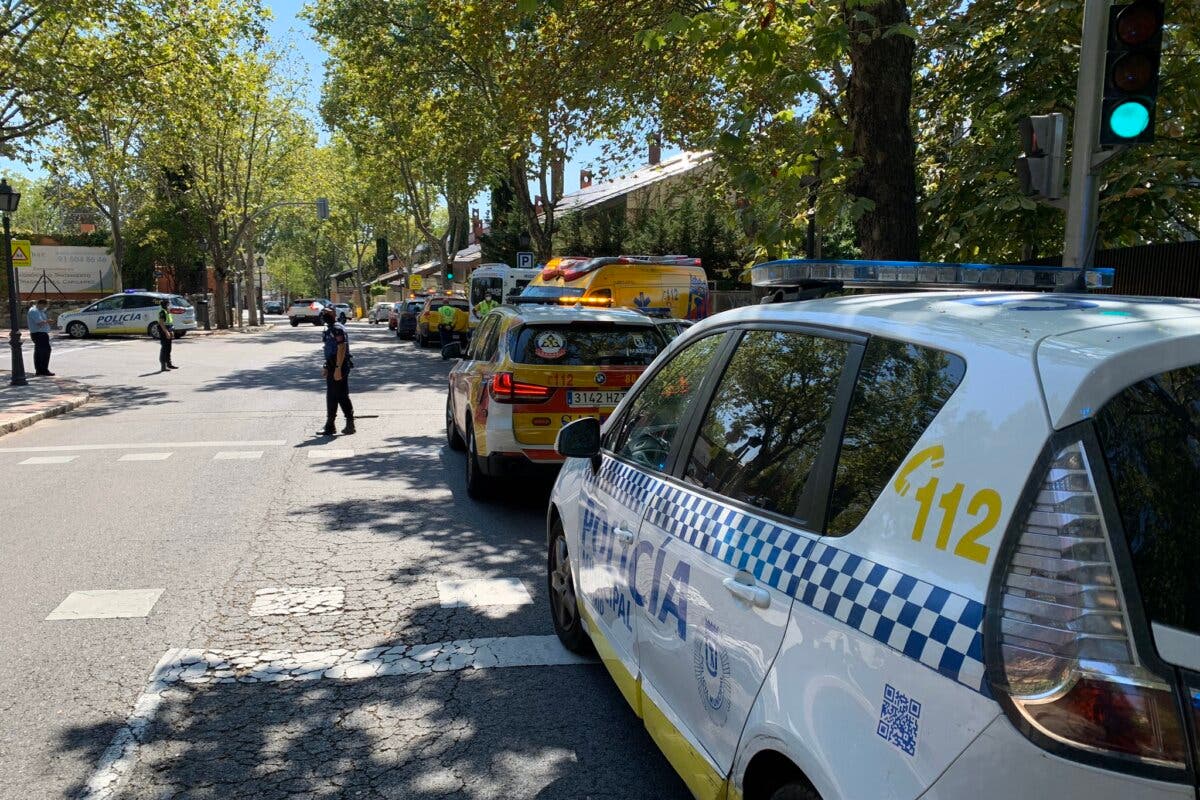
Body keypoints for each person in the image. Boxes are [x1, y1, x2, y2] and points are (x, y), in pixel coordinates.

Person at [319, 306, 354, 436]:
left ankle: (341, 424)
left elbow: (341, 348)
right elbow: (329, 349)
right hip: (332, 365)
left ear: (334, 314)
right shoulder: (330, 329)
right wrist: (326, 366)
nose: (324, 315)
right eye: (323, 313)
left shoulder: (337, 328)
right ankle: (332, 425)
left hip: (339, 365)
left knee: (339, 395)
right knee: (335, 395)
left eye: (327, 313)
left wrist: (338, 368)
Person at [27, 299, 54, 376]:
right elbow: (39, 323)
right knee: (44, 352)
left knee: (40, 352)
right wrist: (48, 321)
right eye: (45, 306)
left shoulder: (39, 310)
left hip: (41, 334)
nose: (45, 307)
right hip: (39, 334)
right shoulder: (34, 311)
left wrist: (47, 321)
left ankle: (40, 370)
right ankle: (43, 370)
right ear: (41, 304)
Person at [157, 299, 177, 372]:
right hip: (164, 331)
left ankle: (169, 364)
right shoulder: (162, 312)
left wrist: (171, 331)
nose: (170, 305)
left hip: (169, 330)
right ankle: (163, 366)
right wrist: (166, 332)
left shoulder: (167, 311)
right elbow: (161, 323)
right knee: (164, 348)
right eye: (169, 304)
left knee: (168, 348)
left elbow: (169, 323)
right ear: (166, 305)